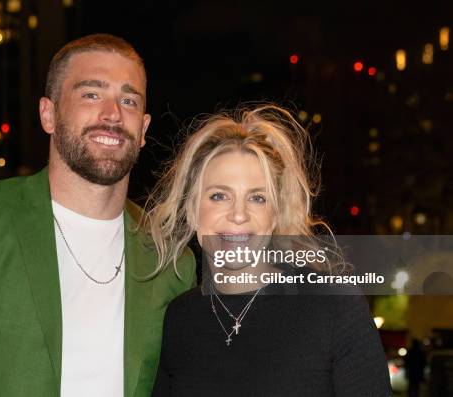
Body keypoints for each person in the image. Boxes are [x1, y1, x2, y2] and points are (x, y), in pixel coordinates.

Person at [0, 34, 195, 397]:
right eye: (91, 94)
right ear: (48, 114)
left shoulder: (170, 260)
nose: (112, 114)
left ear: (143, 129)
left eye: (128, 100)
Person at [146, 106, 392, 396]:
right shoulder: (180, 318)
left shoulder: (334, 307)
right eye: (219, 196)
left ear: (275, 216)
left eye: (258, 198)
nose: (239, 214)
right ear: (192, 209)